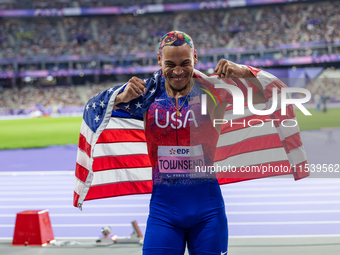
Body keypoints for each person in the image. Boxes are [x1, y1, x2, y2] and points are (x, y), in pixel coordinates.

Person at [112, 31, 267, 255]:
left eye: (185, 63)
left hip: (208, 212)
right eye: (170, 64)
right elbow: (96, 111)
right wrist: (120, 97)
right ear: (159, 60)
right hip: (163, 211)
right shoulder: (144, 95)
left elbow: (273, 94)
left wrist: (244, 72)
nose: (177, 71)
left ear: (195, 57)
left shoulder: (215, 90)